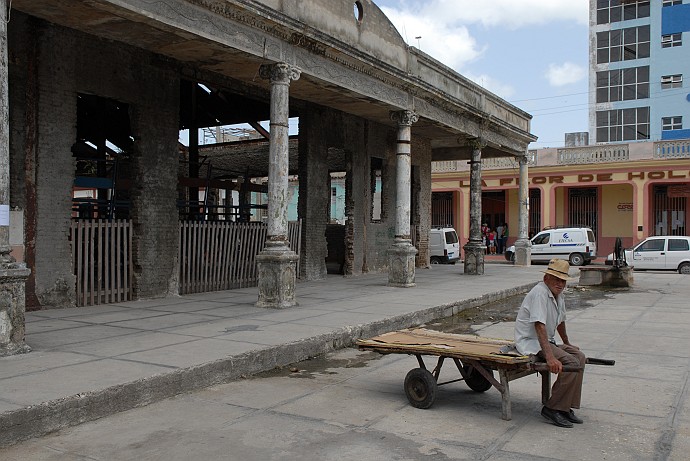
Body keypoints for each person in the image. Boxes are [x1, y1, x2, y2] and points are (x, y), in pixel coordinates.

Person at [514, 258, 586, 428]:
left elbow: (560, 321)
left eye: (563, 281)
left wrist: (568, 344)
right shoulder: (540, 293)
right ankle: (553, 408)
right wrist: (550, 357)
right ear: (547, 278)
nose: (560, 284)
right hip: (531, 343)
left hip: (548, 340)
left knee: (580, 357)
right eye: (556, 279)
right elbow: (539, 326)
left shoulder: (557, 294)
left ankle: (565, 406)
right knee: (570, 362)